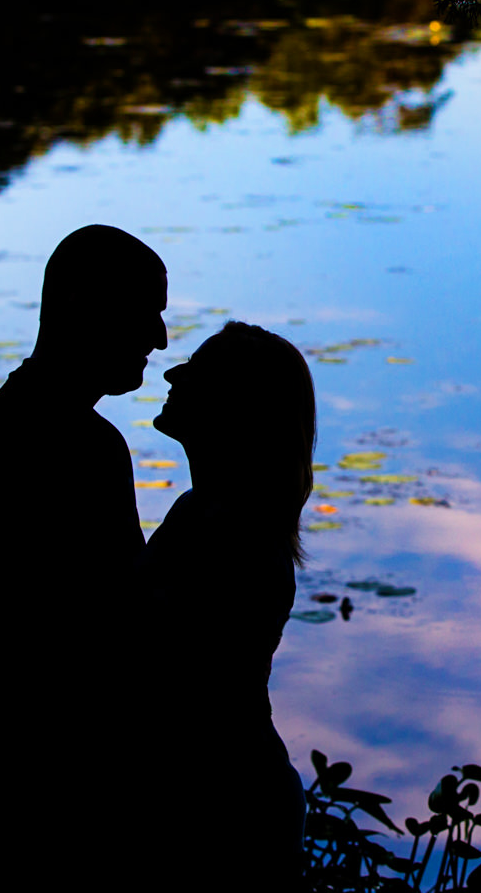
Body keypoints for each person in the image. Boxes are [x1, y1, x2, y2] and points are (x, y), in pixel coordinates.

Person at [0, 225, 167, 887]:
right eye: (146, 310)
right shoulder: (80, 445)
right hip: (52, 813)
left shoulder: (12, 416)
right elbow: (128, 634)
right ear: (81, 303)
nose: (158, 337)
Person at [141, 320, 316, 885]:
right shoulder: (213, 516)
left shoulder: (221, 529)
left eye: (197, 369)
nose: (171, 373)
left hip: (225, 815)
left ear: (234, 406)